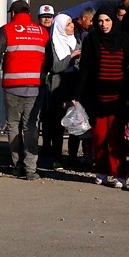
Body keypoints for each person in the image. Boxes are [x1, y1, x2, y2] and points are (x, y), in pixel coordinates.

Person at [0, 0, 49, 180]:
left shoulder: (7, 30)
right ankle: (31, 169)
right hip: (36, 86)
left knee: (13, 125)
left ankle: (17, 165)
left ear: (12, 13)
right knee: (31, 126)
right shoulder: (41, 31)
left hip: (12, 85)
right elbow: (49, 56)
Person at [76, 10, 129, 186]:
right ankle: (101, 171)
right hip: (98, 97)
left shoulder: (125, 39)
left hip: (119, 97)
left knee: (116, 138)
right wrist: (77, 95)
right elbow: (85, 68)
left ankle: (120, 174)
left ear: (114, 21)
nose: (104, 24)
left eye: (107, 20)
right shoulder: (92, 39)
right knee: (99, 137)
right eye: (100, 21)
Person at [39, 12, 81, 169]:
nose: (72, 26)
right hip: (58, 87)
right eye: (68, 24)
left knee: (75, 122)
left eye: (71, 23)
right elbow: (55, 67)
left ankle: (73, 157)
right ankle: (56, 157)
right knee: (58, 124)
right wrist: (70, 57)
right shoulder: (52, 44)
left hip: (73, 85)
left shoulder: (75, 41)